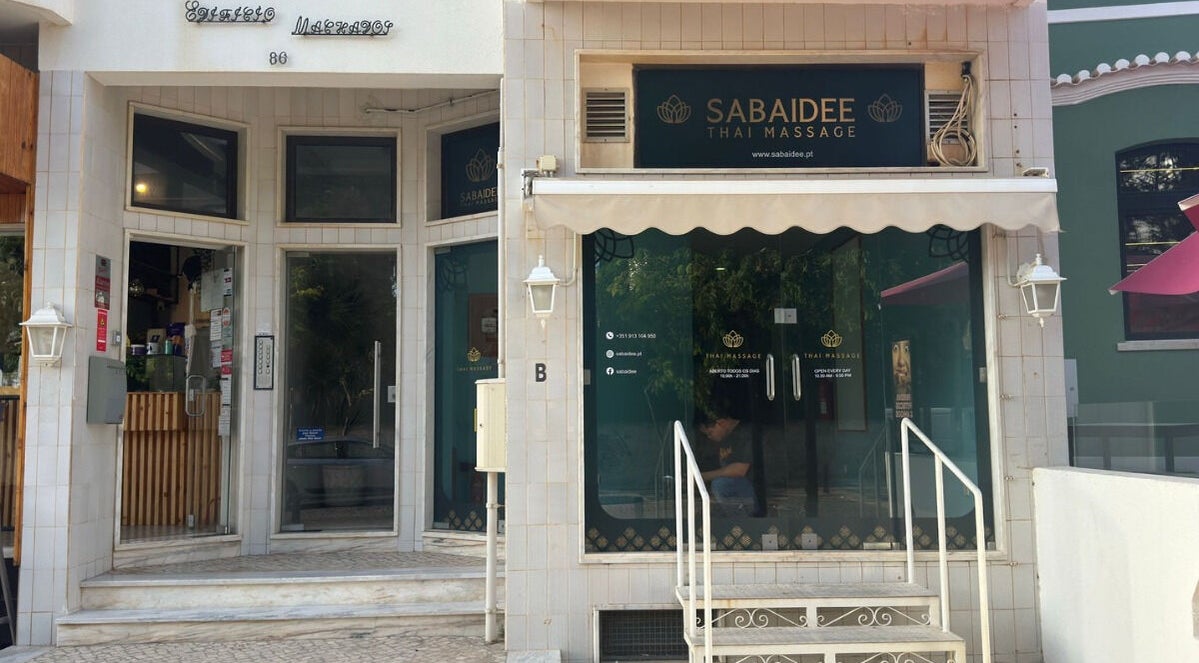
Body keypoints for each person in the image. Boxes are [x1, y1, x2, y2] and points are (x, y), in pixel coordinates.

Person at [696, 411, 756, 512]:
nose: (709, 437)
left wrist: (702, 477)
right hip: (736, 490)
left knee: (720, 485)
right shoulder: (723, 438)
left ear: (722, 423)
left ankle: (739, 522)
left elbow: (740, 470)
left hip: (753, 490)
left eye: (710, 433)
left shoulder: (746, 432)